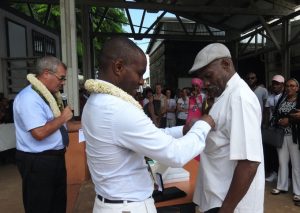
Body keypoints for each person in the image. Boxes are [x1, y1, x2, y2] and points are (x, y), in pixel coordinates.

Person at [81, 36, 215, 213]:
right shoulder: (118, 109)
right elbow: (175, 154)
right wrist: (204, 125)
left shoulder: (97, 101)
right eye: (139, 73)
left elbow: (150, 135)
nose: (142, 81)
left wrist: (182, 129)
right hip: (129, 207)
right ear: (118, 67)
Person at [189, 43, 265, 213]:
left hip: (230, 205)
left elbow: (249, 162)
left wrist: (226, 210)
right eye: (203, 79)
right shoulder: (224, 96)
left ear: (226, 64)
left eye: (209, 76)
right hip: (217, 199)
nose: (205, 84)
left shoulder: (239, 98)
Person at [13, 56, 81, 213]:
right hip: (38, 162)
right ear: (46, 74)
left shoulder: (49, 97)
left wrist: (89, 126)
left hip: (55, 158)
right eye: (61, 78)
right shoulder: (29, 98)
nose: (63, 82)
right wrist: (63, 117)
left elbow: (62, 127)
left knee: (57, 205)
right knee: (40, 206)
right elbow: (39, 132)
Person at [270, 78, 300, 204]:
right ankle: (282, 186)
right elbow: (275, 115)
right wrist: (278, 121)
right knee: (282, 162)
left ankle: (298, 192)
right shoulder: (282, 99)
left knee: (296, 164)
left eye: (292, 86)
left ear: (297, 88)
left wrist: (289, 120)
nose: (289, 88)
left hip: (295, 136)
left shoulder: (299, 100)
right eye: (287, 86)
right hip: (281, 135)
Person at [263, 75, 285, 182]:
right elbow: (266, 112)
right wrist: (266, 126)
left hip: (283, 129)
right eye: (273, 83)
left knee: (282, 154)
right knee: (272, 152)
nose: (275, 86)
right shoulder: (270, 97)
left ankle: (284, 176)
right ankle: (274, 173)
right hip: (272, 129)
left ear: (282, 85)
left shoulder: (285, 96)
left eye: (277, 84)